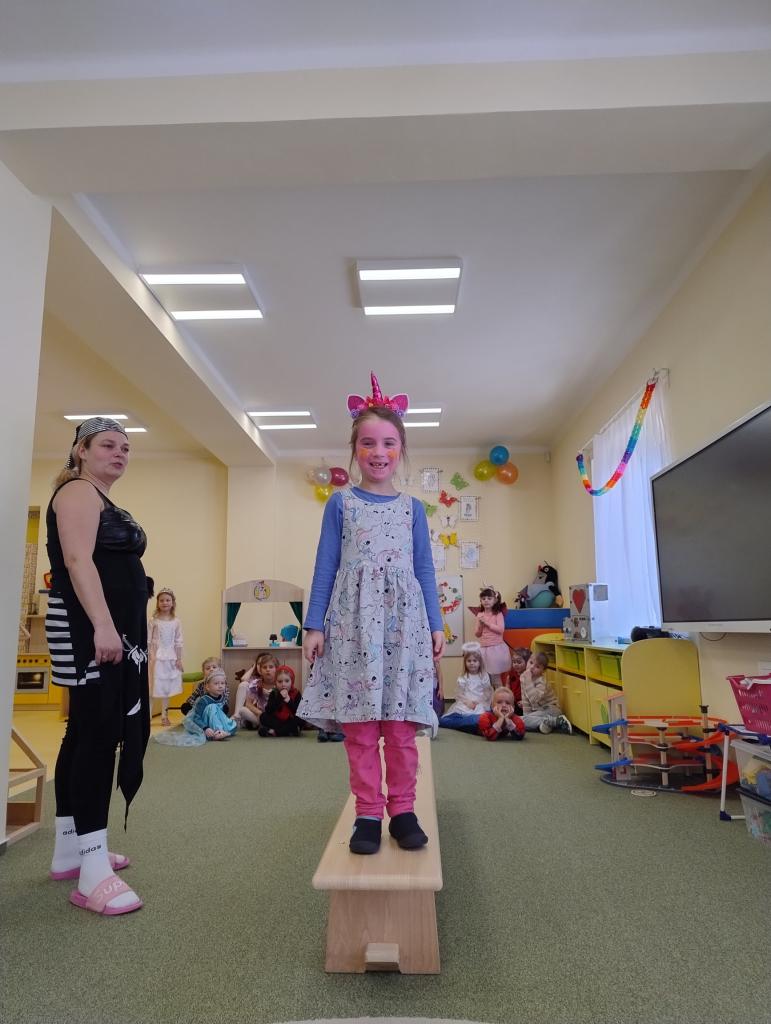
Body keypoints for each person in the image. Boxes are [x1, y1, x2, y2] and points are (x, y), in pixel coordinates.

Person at [298, 372, 445, 855]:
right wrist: (313, 625)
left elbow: (424, 569)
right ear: (354, 450)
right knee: (360, 727)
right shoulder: (340, 504)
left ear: (401, 449)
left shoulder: (413, 509)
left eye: (388, 443)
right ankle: (367, 813)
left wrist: (436, 623)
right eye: (367, 443)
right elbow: (325, 565)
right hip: (353, 628)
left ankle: (402, 810)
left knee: (400, 728)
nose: (378, 452)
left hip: (404, 628)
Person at [45, 417, 149, 916]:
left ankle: (71, 850)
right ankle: (92, 872)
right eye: (108, 444)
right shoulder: (77, 492)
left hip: (108, 629)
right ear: (81, 451)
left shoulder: (99, 497)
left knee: (84, 731)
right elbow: (77, 561)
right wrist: (104, 626)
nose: (120, 453)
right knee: (98, 735)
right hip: (89, 629)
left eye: (126, 447)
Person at [439, 642, 493, 734]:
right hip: (466, 703)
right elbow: (459, 694)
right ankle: (469, 723)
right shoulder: (463, 677)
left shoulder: (484, 676)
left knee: (481, 716)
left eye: (475, 661)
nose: (472, 663)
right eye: (469, 661)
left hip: (480, 703)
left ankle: (467, 723)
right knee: (445, 720)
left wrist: (478, 702)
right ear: (465, 662)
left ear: (480, 662)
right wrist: (467, 702)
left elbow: (487, 692)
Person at [148, 587, 184, 726]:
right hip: (155, 658)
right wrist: (149, 657)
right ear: (158, 603)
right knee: (152, 686)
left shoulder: (176, 621)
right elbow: (148, 640)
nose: (165, 603)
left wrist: (179, 659)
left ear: (172, 602)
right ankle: (148, 716)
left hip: (170, 658)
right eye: (162, 600)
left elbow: (179, 641)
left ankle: (164, 715)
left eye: (168, 600)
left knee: (167, 688)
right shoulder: (153, 620)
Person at [520, 652, 573, 734]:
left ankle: (557, 720)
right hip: (538, 713)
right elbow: (525, 698)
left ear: (543, 671)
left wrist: (528, 680)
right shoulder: (523, 677)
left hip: (551, 710)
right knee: (522, 720)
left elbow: (534, 699)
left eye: (537, 667)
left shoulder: (541, 682)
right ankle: (548, 723)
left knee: (520, 720)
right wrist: (527, 716)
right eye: (531, 662)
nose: (532, 667)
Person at [184, 668, 237, 741]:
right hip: (206, 724)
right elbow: (196, 717)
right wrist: (205, 728)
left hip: (214, 722)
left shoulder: (221, 697)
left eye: (222, 683)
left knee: (233, 726)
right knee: (212, 706)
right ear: (208, 687)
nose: (220, 686)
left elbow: (219, 715)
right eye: (216, 684)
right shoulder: (204, 700)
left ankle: (222, 730)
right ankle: (218, 732)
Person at [232, 652, 278, 729]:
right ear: (260, 670)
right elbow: (248, 704)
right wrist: (260, 713)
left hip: (274, 716)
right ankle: (260, 724)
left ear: (276, 669)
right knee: (242, 710)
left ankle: (262, 724)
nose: (268, 670)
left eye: (271, 667)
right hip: (260, 714)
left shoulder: (279, 683)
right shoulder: (256, 683)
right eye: (264, 667)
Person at [473, 587, 509, 686]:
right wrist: (481, 625)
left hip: (496, 649)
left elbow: (501, 630)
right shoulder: (479, 615)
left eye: (489, 598)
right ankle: (488, 696)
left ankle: (499, 695)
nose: (486, 600)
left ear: (495, 600)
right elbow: (477, 634)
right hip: (484, 649)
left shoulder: (498, 614)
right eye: (483, 598)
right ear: (480, 601)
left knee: (496, 678)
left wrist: (487, 623)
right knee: (485, 678)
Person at [258, 665, 302, 737]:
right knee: (263, 717)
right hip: (277, 720)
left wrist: (289, 701)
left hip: (290, 720)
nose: (283, 684)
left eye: (287, 681)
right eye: (280, 682)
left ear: (292, 681)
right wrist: (279, 698)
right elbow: (268, 710)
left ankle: (273, 731)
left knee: (300, 719)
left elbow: (298, 711)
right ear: (276, 682)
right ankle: (287, 732)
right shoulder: (274, 693)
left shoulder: (296, 693)